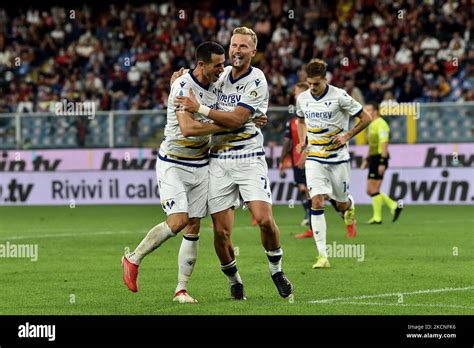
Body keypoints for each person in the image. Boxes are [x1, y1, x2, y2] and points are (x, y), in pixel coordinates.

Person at [176, 27, 293, 300]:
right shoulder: (220, 74)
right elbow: (196, 79)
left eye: (243, 47)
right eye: (234, 45)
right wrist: (181, 78)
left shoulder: (258, 80)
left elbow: (238, 119)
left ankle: (276, 269)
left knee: (264, 220)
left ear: (253, 51)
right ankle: (234, 280)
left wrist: (201, 110)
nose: (237, 51)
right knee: (220, 232)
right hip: (218, 159)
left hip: (249, 156)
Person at [121, 42, 228, 303]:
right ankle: (133, 259)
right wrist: (222, 124)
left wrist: (250, 116)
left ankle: (181, 290)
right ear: (201, 65)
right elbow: (189, 129)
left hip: (201, 164)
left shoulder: (219, 82)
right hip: (174, 163)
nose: (222, 69)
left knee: (194, 227)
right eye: (218, 65)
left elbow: (237, 99)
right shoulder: (183, 87)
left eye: (223, 64)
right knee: (179, 220)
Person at [295, 59, 372, 268]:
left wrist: (347, 135)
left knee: (340, 203)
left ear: (325, 79)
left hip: (338, 159)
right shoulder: (302, 98)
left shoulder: (339, 96)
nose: (312, 87)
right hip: (314, 158)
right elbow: (300, 121)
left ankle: (350, 208)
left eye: (316, 83)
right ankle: (323, 256)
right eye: (309, 83)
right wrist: (303, 142)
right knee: (317, 201)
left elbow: (366, 118)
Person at [362, 102, 403, 224]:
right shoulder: (371, 124)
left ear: (375, 111)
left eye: (368, 110)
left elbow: (384, 144)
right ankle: (393, 206)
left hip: (380, 158)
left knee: (372, 189)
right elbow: (373, 145)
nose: (365, 113)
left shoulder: (381, 124)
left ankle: (379, 216)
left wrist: (382, 162)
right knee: (372, 190)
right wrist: (367, 159)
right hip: (374, 158)